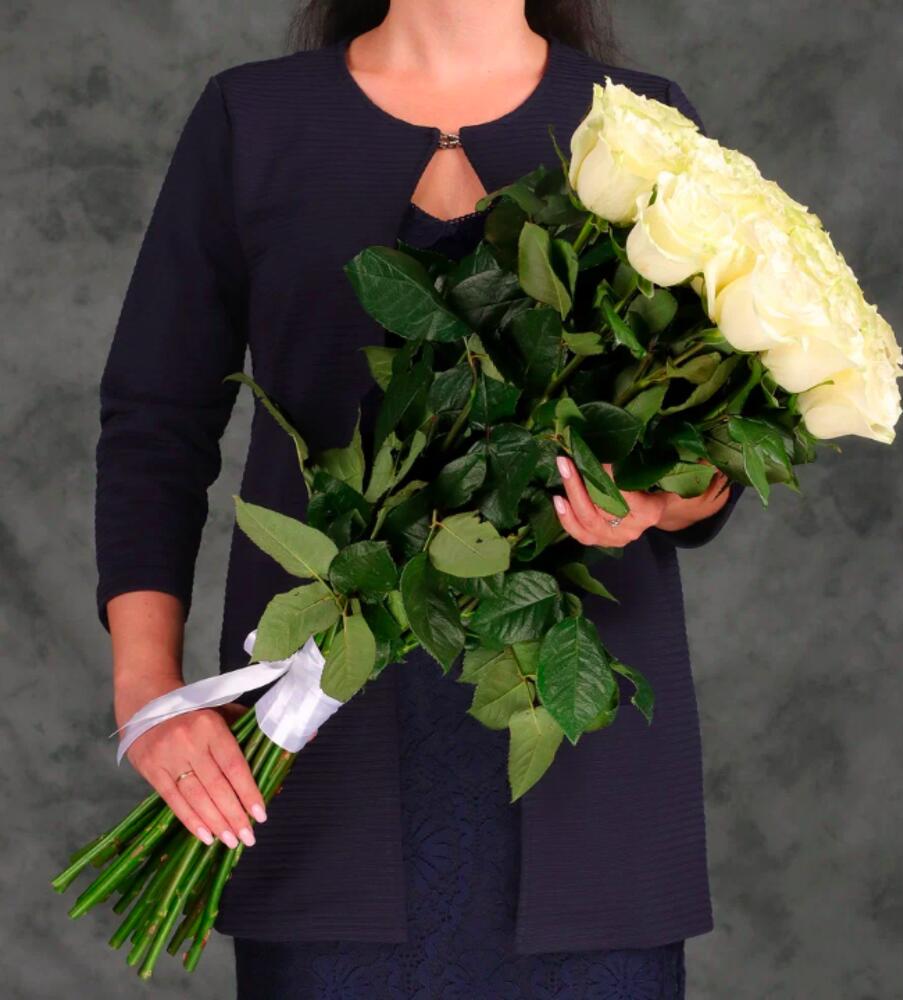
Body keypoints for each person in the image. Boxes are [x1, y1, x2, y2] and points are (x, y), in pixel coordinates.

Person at [97, 2, 745, 996]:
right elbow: (155, 424)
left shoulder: (645, 126)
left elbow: (719, 430)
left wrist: (658, 507)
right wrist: (147, 695)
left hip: (585, 778)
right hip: (320, 767)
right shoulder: (251, 121)